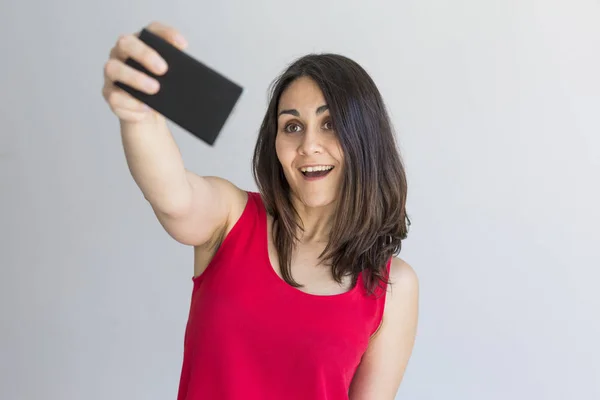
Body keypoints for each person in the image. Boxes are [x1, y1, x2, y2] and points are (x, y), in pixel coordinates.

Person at [102, 21, 419, 400]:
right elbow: (173, 195)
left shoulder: (393, 287)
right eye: (292, 127)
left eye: (330, 123)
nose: (309, 145)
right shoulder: (232, 218)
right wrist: (139, 115)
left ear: (365, 137)